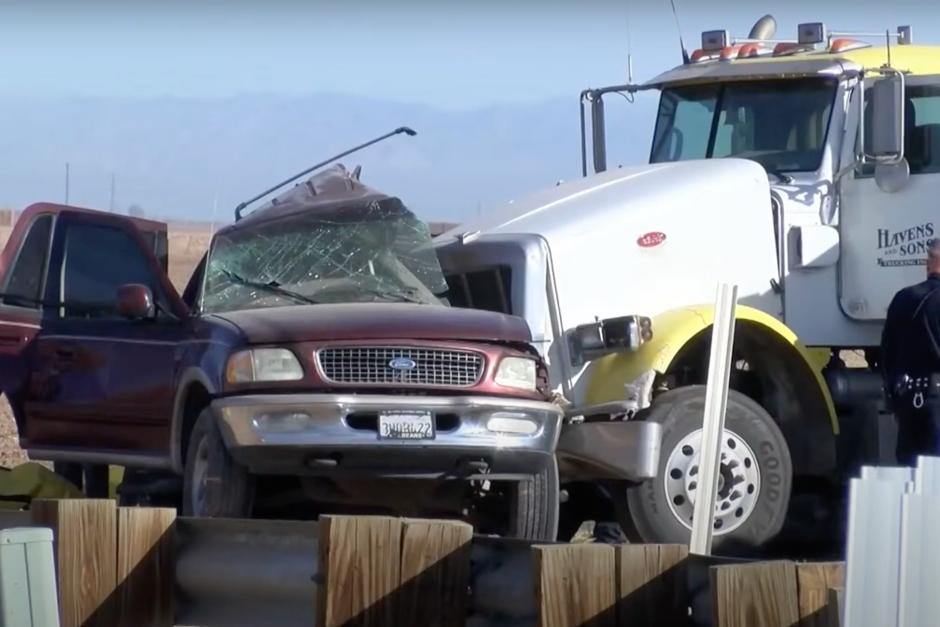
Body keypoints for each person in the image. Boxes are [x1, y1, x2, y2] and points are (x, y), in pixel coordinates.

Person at [881, 238, 940, 465]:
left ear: (929, 263)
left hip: (909, 402)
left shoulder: (903, 298)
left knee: (910, 478)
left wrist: (894, 402)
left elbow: (887, 352)